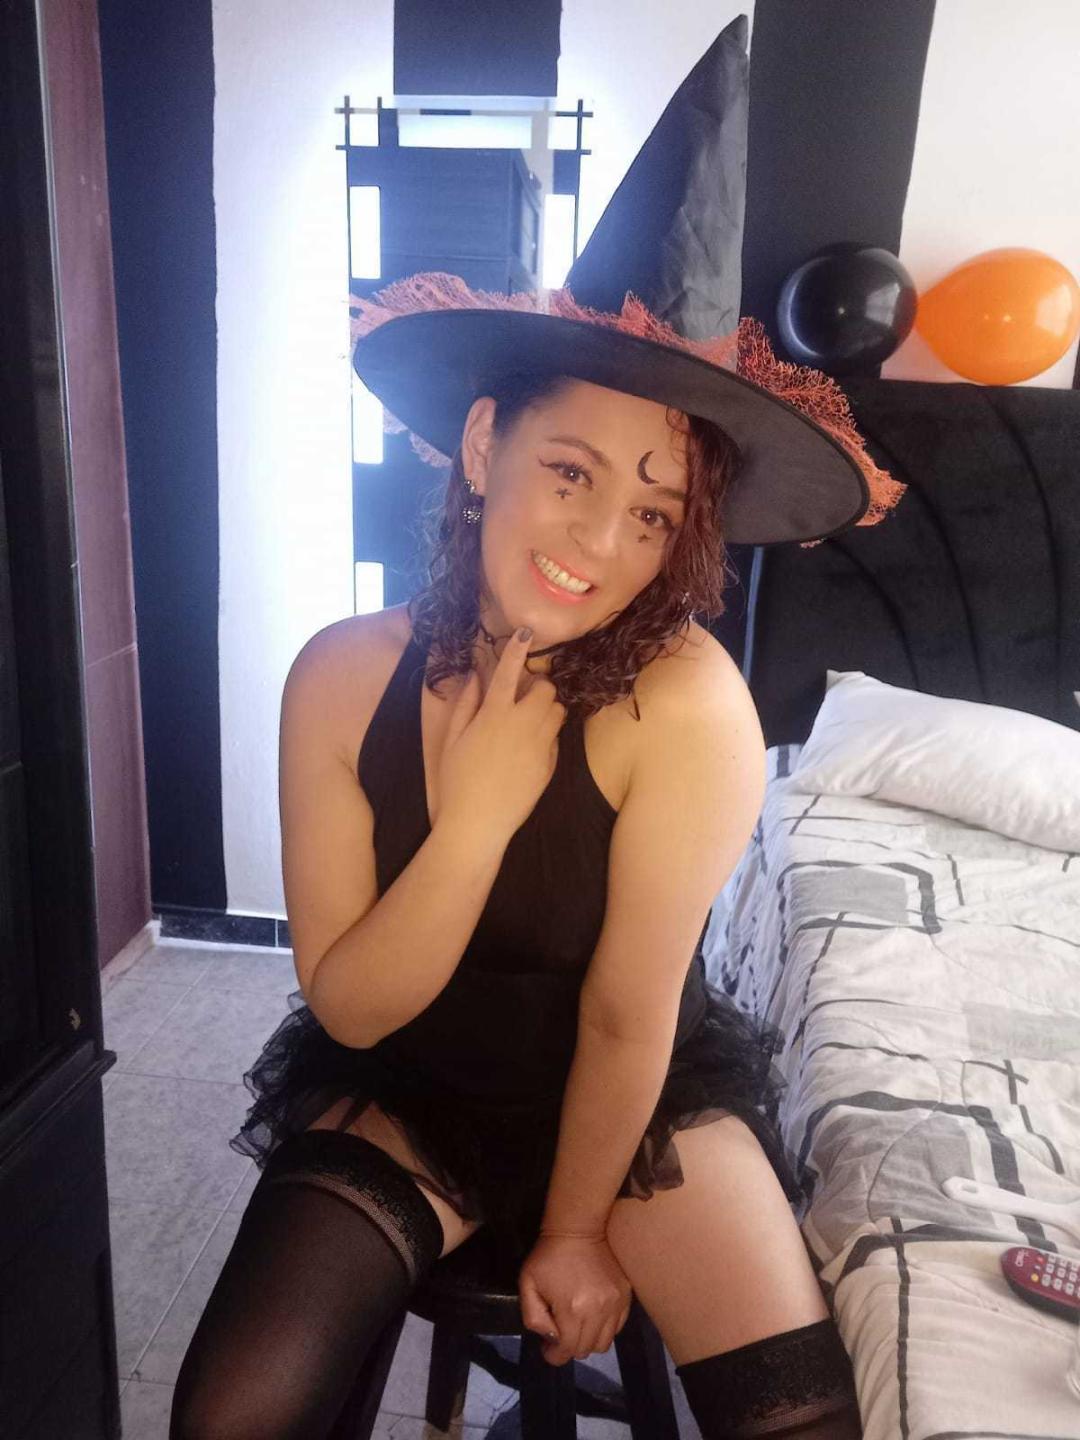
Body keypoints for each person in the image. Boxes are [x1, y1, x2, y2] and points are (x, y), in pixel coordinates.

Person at [170, 272, 905, 1439]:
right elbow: (353, 1009)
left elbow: (624, 1014)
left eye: (654, 515)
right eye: (570, 471)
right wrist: (476, 820)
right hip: (416, 1088)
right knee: (234, 1413)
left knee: (804, 1425)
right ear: (482, 445)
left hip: (642, 1101)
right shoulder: (340, 678)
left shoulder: (689, 705)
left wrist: (572, 1232)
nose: (601, 541)